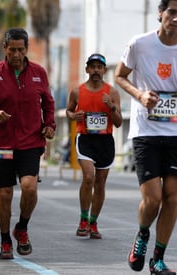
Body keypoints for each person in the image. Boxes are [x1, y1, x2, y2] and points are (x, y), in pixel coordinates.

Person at [0, 28, 56, 259]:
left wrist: (49, 125)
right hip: (1, 143)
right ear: (5, 49)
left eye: (21, 49)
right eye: (12, 50)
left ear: (26, 49)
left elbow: (48, 104)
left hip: (30, 142)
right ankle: (5, 240)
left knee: (29, 187)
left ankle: (22, 227)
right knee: (5, 194)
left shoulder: (39, 73)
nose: (17, 54)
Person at [115, 1, 177, 274]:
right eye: (173, 12)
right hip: (146, 132)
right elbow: (119, 75)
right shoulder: (139, 44)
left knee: (173, 198)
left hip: (175, 133)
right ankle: (142, 235)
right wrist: (139, 95)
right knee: (153, 199)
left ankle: (158, 259)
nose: (176, 18)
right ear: (161, 13)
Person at [66, 53, 123, 240]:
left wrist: (111, 106)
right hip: (85, 140)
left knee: (100, 183)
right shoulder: (77, 91)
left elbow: (118, 123)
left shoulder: (112, 93)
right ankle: (83, 218)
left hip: (105, 142)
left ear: (104, 70)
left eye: (100, 67)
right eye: (93, 66)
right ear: (87, 69)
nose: (96, 70)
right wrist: (73, 116)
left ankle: (93, 221)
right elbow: (68, 110)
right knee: (89, 177)